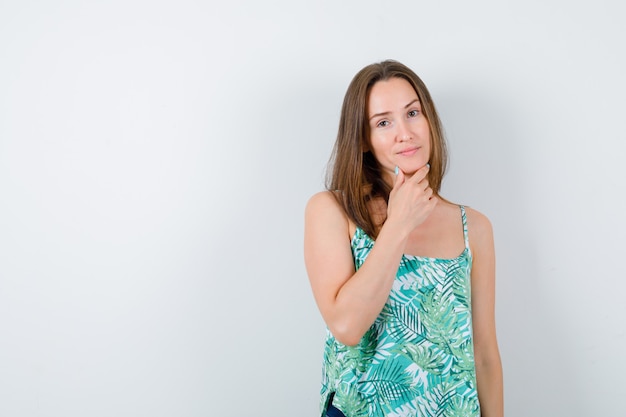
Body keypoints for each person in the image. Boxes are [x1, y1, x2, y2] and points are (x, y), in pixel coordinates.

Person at [304, 60, 503, 417]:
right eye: (383, 122)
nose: (405, 133)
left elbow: (484, 353)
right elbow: (347, 326)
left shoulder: (474, 227)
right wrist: (399, 224)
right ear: (364, 140)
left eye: (413, 113)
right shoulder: (332, 210)